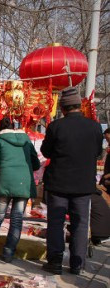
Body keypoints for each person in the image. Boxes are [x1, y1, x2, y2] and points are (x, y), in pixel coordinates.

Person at [40, 87, 103, 275]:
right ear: (80, 107)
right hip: (83, 185)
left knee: (56, 223)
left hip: (59, 183)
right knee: (81, 224)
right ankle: (77, 264)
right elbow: (97, 152)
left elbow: (46, 152)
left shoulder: (56, 127)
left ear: (63, 108)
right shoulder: (94, 127)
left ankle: (55, 261)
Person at [0, 117, 40, 262]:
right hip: (23, 183)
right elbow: (36, 164)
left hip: (5, 181)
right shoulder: (25, 139)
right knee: (17, 218)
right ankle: (8, 253)